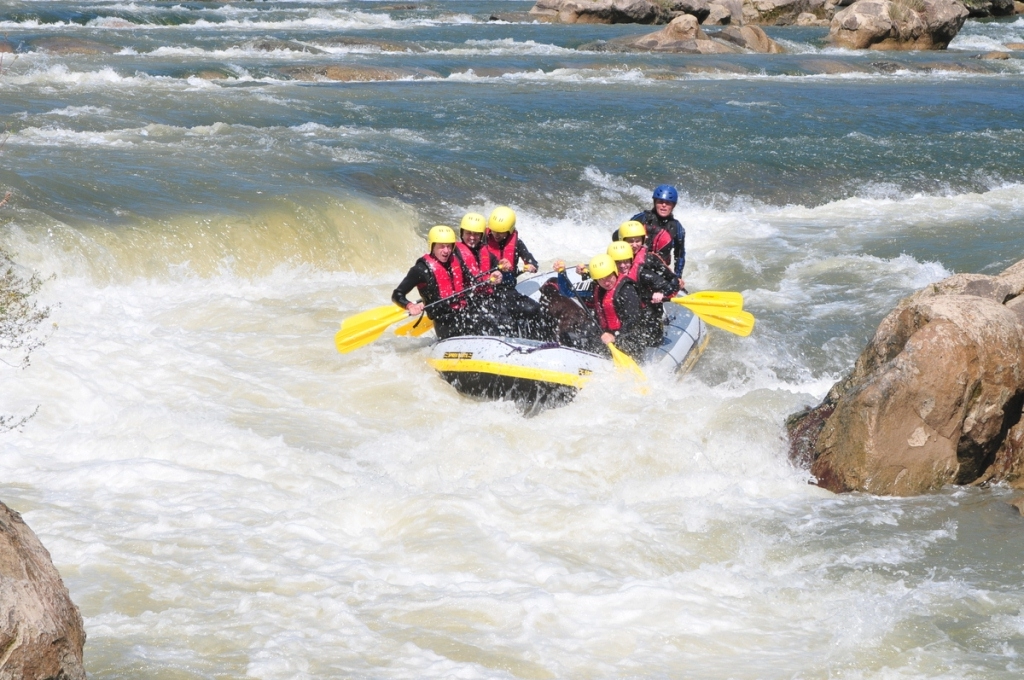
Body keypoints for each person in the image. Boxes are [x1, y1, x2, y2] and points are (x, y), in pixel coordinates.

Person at [392, 225, 497, 340]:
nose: (446, 251)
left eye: (449, 246)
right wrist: (410, 306)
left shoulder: (456, 261)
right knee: (479, 326)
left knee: (493, 320)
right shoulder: (420, 270)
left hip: (464, 312)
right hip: (444, 322)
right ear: (432, 246)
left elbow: (473, 280)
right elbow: (397, 294)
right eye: (441, 246)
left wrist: (493, 276)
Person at [482, 206, 555, 341]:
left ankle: (536, 341)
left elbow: (533, 263)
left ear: (509, 230)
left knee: (536, 309)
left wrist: (530, 267)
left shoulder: (517, 243)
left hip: (508, 291)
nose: (496, 235)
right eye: (494, 231)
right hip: (489, 290)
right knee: (507, 319)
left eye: (500, 232)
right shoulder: (483, 241)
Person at [606, 238, 679, 346]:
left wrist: (661, 293)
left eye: (626, 261)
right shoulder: (606, 279)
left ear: (631, 260)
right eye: (617, 262)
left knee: (648, 331)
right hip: (623, 321)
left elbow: (671, 286)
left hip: (647, 318)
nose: (622, 266)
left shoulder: (643, 275)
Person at [588, 253, 651, 363]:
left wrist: (615, 336)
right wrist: (562, 274)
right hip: (608, 337)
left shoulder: (626, 290)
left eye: (609, 276)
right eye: (601, 279)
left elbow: (634, 320)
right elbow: (568, 292)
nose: (606, 282)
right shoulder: (599, 289)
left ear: (615, 272)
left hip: (629, 338)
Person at [613, 185, 686, 277]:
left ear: (673, 205)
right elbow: (617, 236)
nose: (664, 205)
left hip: (659, 271)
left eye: (668, 203)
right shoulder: (642, 218)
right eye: (660, 202)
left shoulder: (677, 227)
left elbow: (679, 255)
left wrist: (678, 276)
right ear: (655, 202)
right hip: (634, 265)